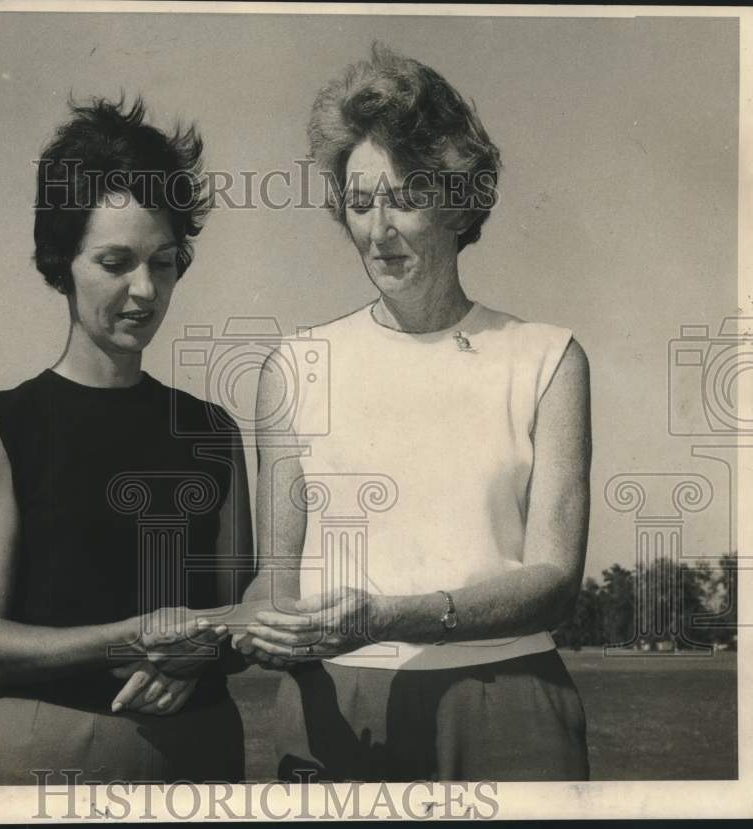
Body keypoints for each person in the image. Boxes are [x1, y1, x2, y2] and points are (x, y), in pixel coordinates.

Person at [236, 44, 591, 782]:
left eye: (404, 197)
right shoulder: (295, 366)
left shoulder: (548, 357)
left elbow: (555, 577)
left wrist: (391, 614)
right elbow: (275, 578)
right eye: (360, 203)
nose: (378, 229)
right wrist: (249, 629)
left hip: (508, 701)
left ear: (459, 201)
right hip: (331, 707)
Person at [0, 96, 252, 785]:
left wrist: (198, 654)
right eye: (115, 261)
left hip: (202, 752)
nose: (144, 289)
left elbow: (243, 611)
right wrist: (130, 637)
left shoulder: (212, 432)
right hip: (45, 753)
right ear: (62, 260)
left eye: (165, 263)